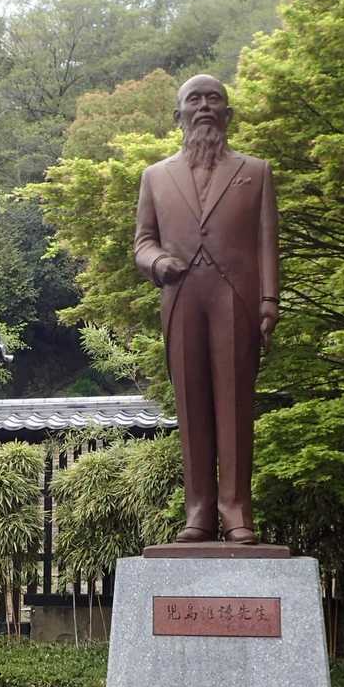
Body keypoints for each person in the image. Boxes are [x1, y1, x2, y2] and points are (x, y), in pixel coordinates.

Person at [134, 74, 279, 544]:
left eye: (213, 99)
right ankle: (197, 510)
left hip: (236, 295)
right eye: (193, 100)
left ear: (227, 114)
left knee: (235, 404)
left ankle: (236, 511)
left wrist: (269, 300)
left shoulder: (256, 171)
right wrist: (159, 262)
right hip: (181, 296)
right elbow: (143, 242)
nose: (203, 107)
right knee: (191, 404)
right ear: (177, 115)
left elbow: (267, 242)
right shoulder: (156, 176)